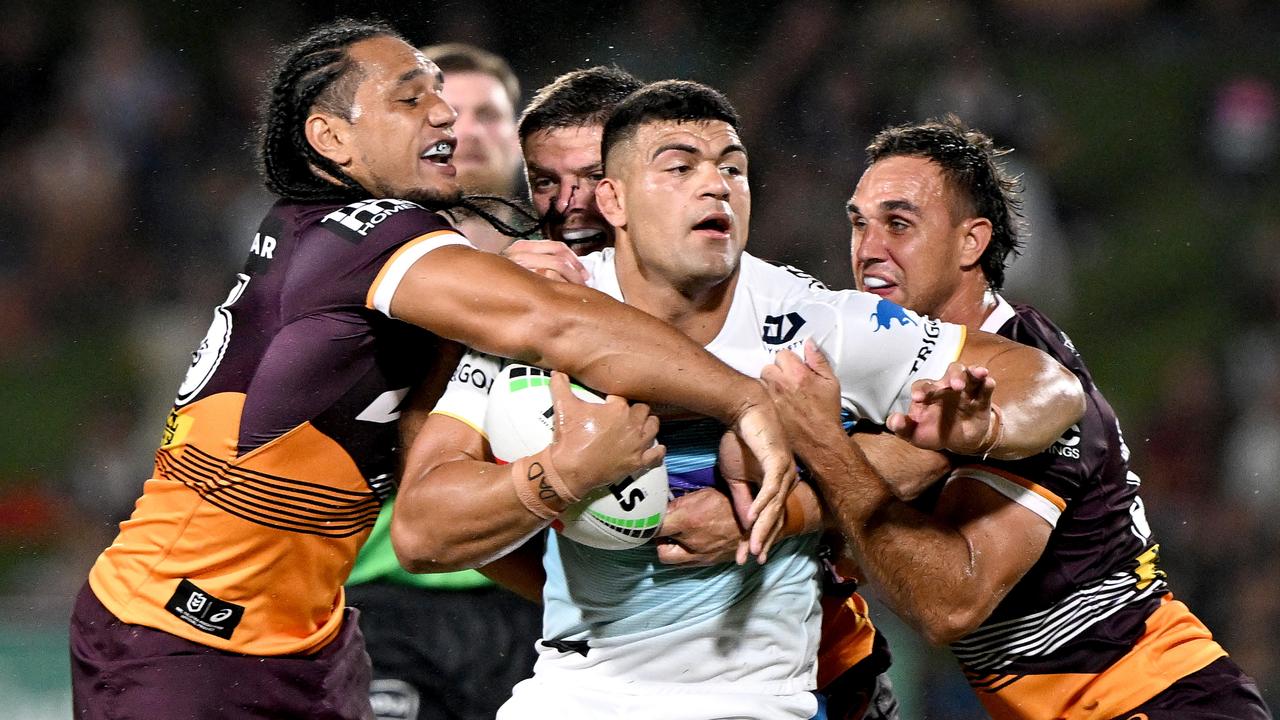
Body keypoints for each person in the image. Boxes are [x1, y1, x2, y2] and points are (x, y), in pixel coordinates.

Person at [67, 21, 803, 720]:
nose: (444, 114)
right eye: (410, 97)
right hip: (175, 634)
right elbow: (556, 326)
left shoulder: (334, 240)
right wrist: (743, 399)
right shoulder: (365, 234)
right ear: (332, 139)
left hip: (306, 644)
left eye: (440, 94)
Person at [390, 81, 1084, 720]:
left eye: (732, 167)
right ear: (615, 201)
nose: (715, 185)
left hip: (754, 704)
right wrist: (565, 475)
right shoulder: (542, 318)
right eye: (680, 166)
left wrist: (969, 427)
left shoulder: (812, 323)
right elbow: (422, 532)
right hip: (572, 695)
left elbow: (1050, 389)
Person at [759, 115, 1274, 720]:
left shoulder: (1022, 375)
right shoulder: (881, 366)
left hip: (1159, 700)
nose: (869, 248)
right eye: (859, 224)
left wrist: (822, 446)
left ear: (971, 242)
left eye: (899, 224)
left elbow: (950, 604)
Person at [341, 41, 536, 720]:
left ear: (521, 139)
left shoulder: (580, 271)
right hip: (385, 590)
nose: (464, 128)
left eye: (489, 113)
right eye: (447, 109)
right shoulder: (359, 261)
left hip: (533, 591)